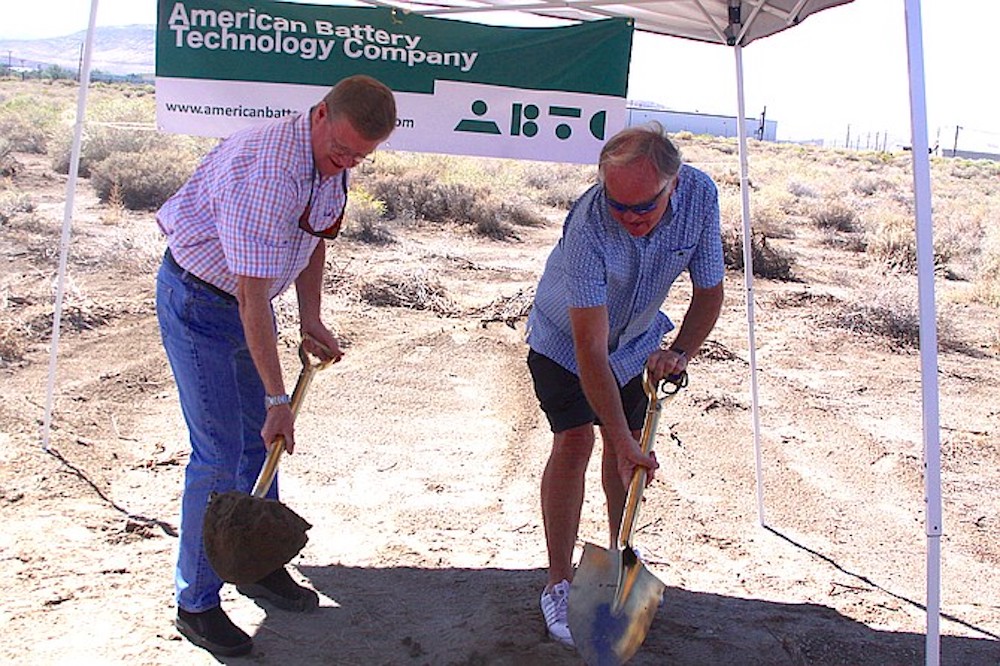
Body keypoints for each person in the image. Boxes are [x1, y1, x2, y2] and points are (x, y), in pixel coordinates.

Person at [155, 75, 397, 657]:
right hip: (201, 305)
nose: (347, 163)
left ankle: (258, 565)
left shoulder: (331, 162)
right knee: (218, 455)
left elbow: (313, 237)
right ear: (319, 114)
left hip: (242, 302)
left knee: (259, 449)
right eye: (341, 150)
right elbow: (250, 298)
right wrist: (276, 399)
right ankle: (197, 604)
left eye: (360, 157)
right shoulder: (267, 172)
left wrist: (311, 317)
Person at [525, 122, 724, 646]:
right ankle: (560, 582)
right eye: (619, 206)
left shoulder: (701, 195)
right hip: (564, 340)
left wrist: (679, 351)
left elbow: (709, 291)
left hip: (636, 341)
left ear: (672, 185)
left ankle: (618, 565)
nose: (630, 218)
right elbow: (590, 348)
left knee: (625, 460)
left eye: (643, 207)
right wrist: (618, 435)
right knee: (577, 440)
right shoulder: (589, 222)